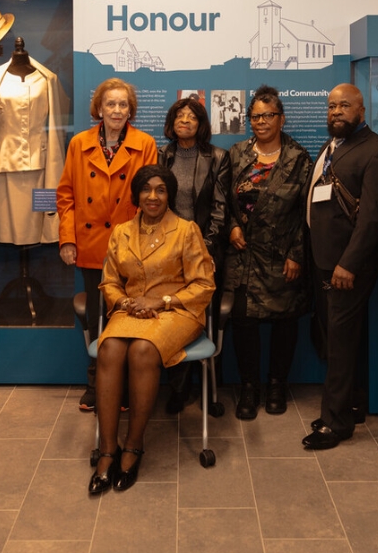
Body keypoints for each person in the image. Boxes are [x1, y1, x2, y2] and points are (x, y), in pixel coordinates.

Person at [89, 165, 215, 494]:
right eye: (146, 190)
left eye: (160, 190)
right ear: (137, 196)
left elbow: (203, 285)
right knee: (110, 348)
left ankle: (133, 445)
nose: (153, 196)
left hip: (176, 310)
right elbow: (110, 282)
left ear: (169, 195)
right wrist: (125, 303)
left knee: (142, 350)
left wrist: (163, 301)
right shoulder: (121, 232)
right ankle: (107, 450)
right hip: (132, 308)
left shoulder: (186, 230)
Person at [303, 83, 378, 450]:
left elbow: (373, 217)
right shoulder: (332, 147)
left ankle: (336, 422)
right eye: (331, 106)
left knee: (341, 344)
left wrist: (349, 263)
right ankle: (350, 404)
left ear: (362, 110)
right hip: (322, 260)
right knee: (336, 339)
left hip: (347, 266)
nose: (336, 112)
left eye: (344, 106)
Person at [56, 78, 157, 411]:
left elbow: (150, 198)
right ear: (98, 108)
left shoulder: (145, 144)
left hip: (131, 246)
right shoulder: (79, 143)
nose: (117, 110)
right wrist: (68, 239)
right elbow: (66, 195)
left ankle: (126, 385)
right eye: (110, 104)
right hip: (91, 244)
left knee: (127, 316)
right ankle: (96, 382)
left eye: (123, 104)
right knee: (98, 317)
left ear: (131, 109)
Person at [224, 85, 312, 420]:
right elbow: (224, 200)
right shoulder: (237, 154)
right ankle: (249, 387)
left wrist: (296, 254)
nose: (261, 122)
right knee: (244, 322)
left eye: (268, 115)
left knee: (284, 322)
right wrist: (232, 225)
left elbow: (307, 214)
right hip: (244, 256)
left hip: (282, 256)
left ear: (281, 118)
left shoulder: (298, 159)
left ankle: (276, 384)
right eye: (255, 116)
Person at [157, 97, 230, 413]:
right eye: (179, 115)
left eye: (192, 116)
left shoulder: (217, 157)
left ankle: (210, 389)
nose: (185, 120)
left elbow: (220, 208)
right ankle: (178, 389)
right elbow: (154, 204)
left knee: (206, 318)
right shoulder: (162, 156)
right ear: (172, 123)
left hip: (205, 253)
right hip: (168, 254)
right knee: (173, 318)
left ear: (201, 124)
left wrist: (207, 251)